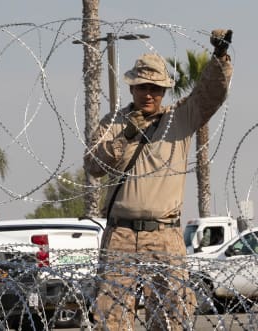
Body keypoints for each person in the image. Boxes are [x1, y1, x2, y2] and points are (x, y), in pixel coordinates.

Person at [85, 29, 233, 331]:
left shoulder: (180, 118)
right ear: (132, 88)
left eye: (155, 88)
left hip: (165, 234)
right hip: (121, 234)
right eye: (143, 87)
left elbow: (211, 94)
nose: (149, 93)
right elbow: (93, 166)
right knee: (111, 318)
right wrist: (124, 137)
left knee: (170, 318)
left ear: (164, 90)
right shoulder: (114, 124)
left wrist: (220, 58)